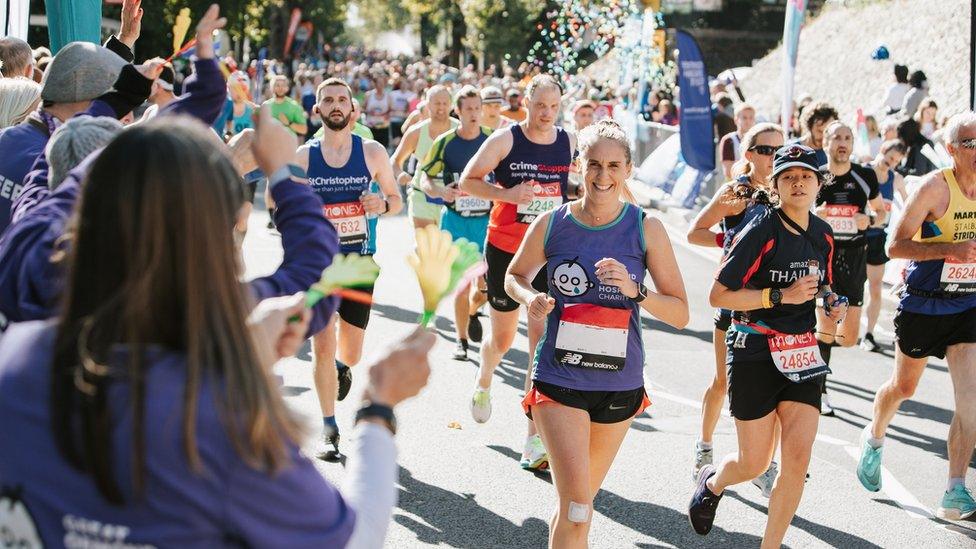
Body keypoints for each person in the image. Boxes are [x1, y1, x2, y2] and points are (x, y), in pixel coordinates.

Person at [0, 110, 435, 548]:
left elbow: (63, 194)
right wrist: (376, 409)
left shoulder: (14, 355)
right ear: (210, 237)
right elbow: (354, 539)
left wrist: (140, 155)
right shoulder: (217, 421)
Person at [512, 119, 688, 548]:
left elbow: (681, 313)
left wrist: (636, 290)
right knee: (577, 506)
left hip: (618, 383)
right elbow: (514, 274)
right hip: (560, 377)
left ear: (628, 169)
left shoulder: (647, 228)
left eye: (613, 165)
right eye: (594, 164)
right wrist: (527, 297)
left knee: (576, 507)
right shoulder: (553, 224)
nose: (603, 175)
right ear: (579, 166)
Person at [689, 144, 847, 547]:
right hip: (755, 350)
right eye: (789, 177)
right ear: (775, 185)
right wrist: (779, 297)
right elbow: (719, 295)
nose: (798, 183)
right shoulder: (759, 228)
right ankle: (714, 482)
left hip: (802, 353)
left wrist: (830, 300)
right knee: (753, 462)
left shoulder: (823, 234)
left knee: (797, 459)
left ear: (819, 184)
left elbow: (823, 281)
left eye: (806, 176)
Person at [856, 112, 976, 520]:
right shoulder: (933, 188)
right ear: (952, 149)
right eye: (971, 144)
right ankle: (874, 437)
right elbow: (894, 247)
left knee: (971, 400)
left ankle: (956, 487)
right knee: (904, 387)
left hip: (968, 305)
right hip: (923, 302)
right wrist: (948, 250)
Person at [460, 73, 576, 470]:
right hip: (507, 251)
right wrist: (506, 194)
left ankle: (533, 439)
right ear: (526, 102)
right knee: (504, 339)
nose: (546, 113)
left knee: (540, 346)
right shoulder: (505, 140)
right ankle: (484, 377)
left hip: (549, 252)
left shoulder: (568, 141)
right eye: (539, 105)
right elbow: (468, 181)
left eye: (553, 106)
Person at [297, 77, 403, 457]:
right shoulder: (304, 157)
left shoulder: (372, 152)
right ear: (318, 110)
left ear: (354, 110)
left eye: (343, 99)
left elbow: (396, 200)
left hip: (359, 261)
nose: (336, 105)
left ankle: (343, 367)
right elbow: (279, 208)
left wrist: (381, 205)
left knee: (351, 352)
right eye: (329, 100)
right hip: (318, 266)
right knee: (320, 345)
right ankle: (328, 427)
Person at [687, 123, 784, 493]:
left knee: (777, 388)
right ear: (749, 154)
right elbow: (695, 231)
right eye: (764, 150)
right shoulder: (737, 192)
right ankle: (705, 445)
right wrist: (728, 239)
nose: (772, 156)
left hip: (773, 305)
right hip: (733, 299)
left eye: (778, 149)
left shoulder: (787, 189)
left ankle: (765, 464)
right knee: (723, 382)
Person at [814, 121, 886, 415]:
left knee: (850, 337)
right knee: (827, 328)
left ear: (853, 144)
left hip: (855, 258)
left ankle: (812, 348)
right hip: (825, 259)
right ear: (826, 143)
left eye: (847, 138)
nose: (842, 143)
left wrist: (868, 221)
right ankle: (819, 390)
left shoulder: (865, 176)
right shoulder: (816, 176)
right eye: (836, 138)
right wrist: (813, 214)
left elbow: (881, 213)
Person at [419, 85, 493, 360]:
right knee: (462, 284)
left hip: (486, 221)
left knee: (486, 287)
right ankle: (462, 340)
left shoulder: (492, 140)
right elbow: (425, 176)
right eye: (468, 109)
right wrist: (439, 191)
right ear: (458, 112)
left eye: (477, 108)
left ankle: (474, 312)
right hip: (455, 221)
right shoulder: (446, 141)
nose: (474, 114)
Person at [861, 140, 908, 352]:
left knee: (875, 288)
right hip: (856, 236)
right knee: (843, 285)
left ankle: (868, 334)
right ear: (882, 150)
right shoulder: (864, 171)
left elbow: (909, 204)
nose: (891, 163)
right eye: (890, 158)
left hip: (878, 237)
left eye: (896, 161)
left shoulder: (896, 179)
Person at [391, 85, 458, 229]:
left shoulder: (460, 129)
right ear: (428, 105)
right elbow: (395, 161)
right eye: (437, 103)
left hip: (454, 197)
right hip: (422, 195)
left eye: (445, 103)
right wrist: (400, 174)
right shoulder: (416, 132)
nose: (441, 107)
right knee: (426, 246)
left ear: (451, 105)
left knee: (450, 249)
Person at [718, 103, 757, 179]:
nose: (748, 121)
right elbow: (728, 171)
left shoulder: (759, 139)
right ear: (736, 120)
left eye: (751, 118)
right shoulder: (728, 140)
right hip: (735, 185)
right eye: (744, 118)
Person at [795, 102, 837, 166]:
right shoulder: (792, 149)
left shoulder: (833, 153)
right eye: (819, 131)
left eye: (827, 132)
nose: (823, 136)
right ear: (809, 126)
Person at [363, 72, 393, 149]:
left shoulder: (388, 96)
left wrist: (386, 114)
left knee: (383, 149)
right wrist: (370, 112)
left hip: (383, 127)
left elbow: (391, 110)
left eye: (383, 82)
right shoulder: (368, 95)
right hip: (371, 127)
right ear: (375, 83)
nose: (381, 84)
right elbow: (363, 109)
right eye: (379, 82)